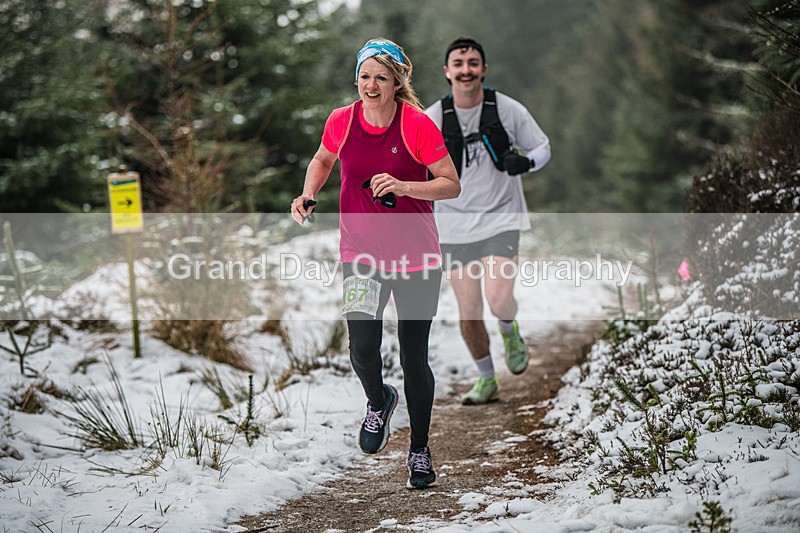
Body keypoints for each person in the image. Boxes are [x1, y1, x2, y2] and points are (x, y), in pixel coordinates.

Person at [291, 38, 460, 489]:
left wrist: (404, 186)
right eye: (365, 76)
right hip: (360, 256)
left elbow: (450, 184)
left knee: (413, 357)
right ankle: (379, 399)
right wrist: (308, 194)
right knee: (362, 348)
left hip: (416, 259)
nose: (371, 85)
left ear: (397, 82)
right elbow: (323, 158)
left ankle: (419, 450)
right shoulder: (341, 121)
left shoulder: (417, 125)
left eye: (381, 77)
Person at [425, 37, 551, 405]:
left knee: (498, 299)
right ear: (447, 71)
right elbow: (411, 163)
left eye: (473, 63)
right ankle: (486, 378)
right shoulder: (433, 117)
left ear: (483, 69)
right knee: (469, 310)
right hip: (452, 224)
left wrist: (526, 162)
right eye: (458, 64)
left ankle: (509, 328)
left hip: (501, 217)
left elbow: (542, 147)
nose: (466, 70)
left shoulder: (507, 109)